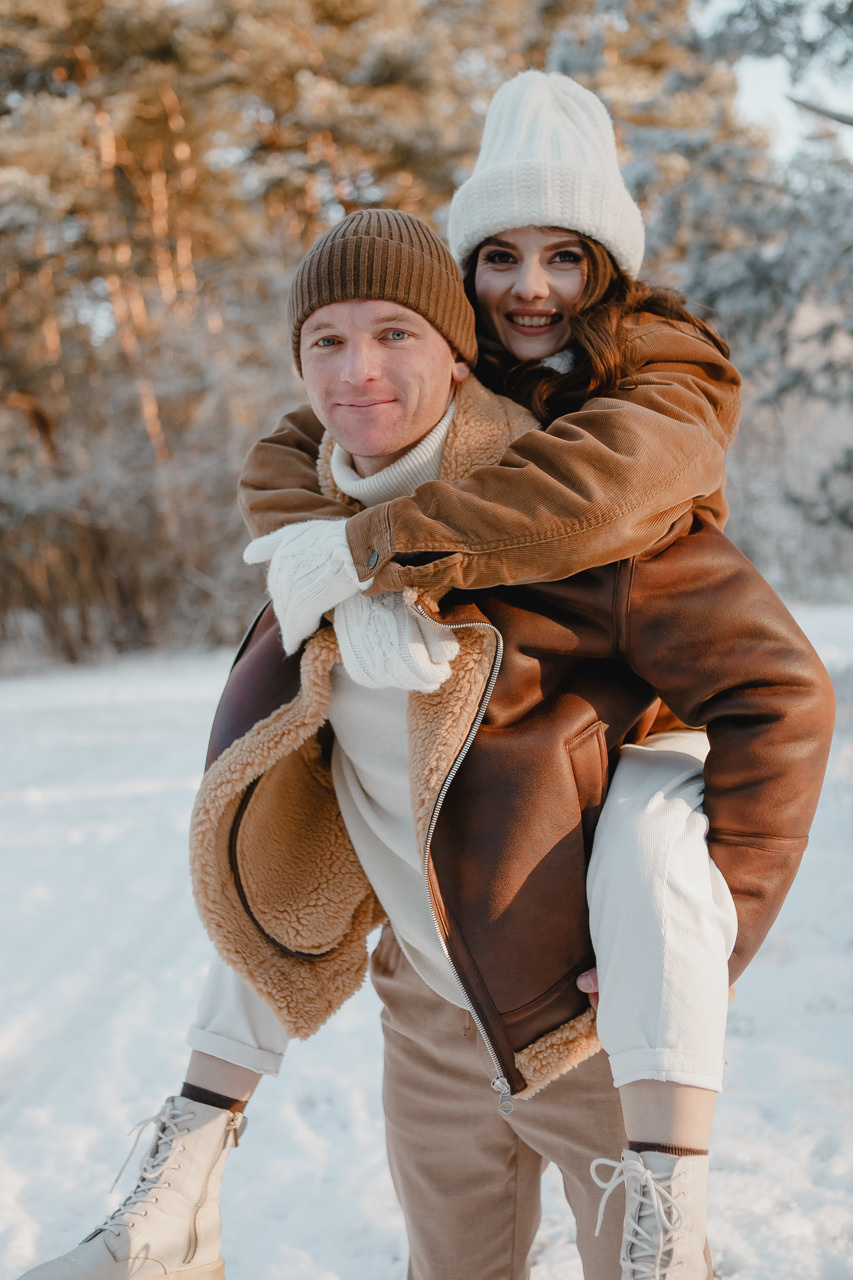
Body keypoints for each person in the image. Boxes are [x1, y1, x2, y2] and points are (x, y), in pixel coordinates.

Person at [18, 81, 834, 1280]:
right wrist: (322, 528)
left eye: (566, 256)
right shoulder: (324, 513)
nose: (533, 287)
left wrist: (708, 929)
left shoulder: (623, 466)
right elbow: (315, 458)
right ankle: (174, 1184)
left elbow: (780, 686)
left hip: (577, 1017)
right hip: (429, 1007)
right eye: (499, 257)